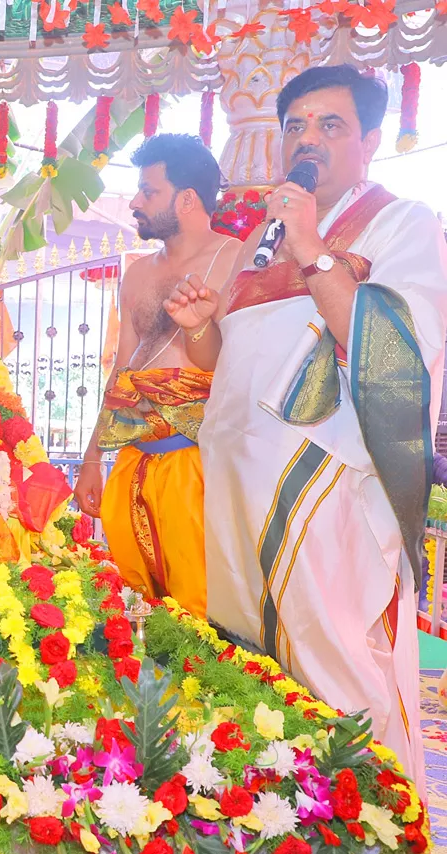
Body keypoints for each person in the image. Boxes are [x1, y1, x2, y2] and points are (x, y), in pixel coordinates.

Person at [167, 65, 447, 799]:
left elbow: (399, 353)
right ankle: (279, 824)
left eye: (330, 125)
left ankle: (371, 827)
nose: (308, 140)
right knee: (251, 667)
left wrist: (315, 250)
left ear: (369, 140)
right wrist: (199, 333)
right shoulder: (264, 239)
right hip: (235, 482)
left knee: (333, 659)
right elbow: (232, 361)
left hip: (326, 485)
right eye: (295, 126)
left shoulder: (401, 221)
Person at [73, 134, 240, 617]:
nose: (135, 202)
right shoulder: (139, 273)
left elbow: (225, 364)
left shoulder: (234, 261)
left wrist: (199, 326)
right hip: (131, 460)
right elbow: (123, 372)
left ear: (187, 199)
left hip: (196, 464)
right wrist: (91, 459)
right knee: (130, 612)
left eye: (149, 191)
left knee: (199, 618)